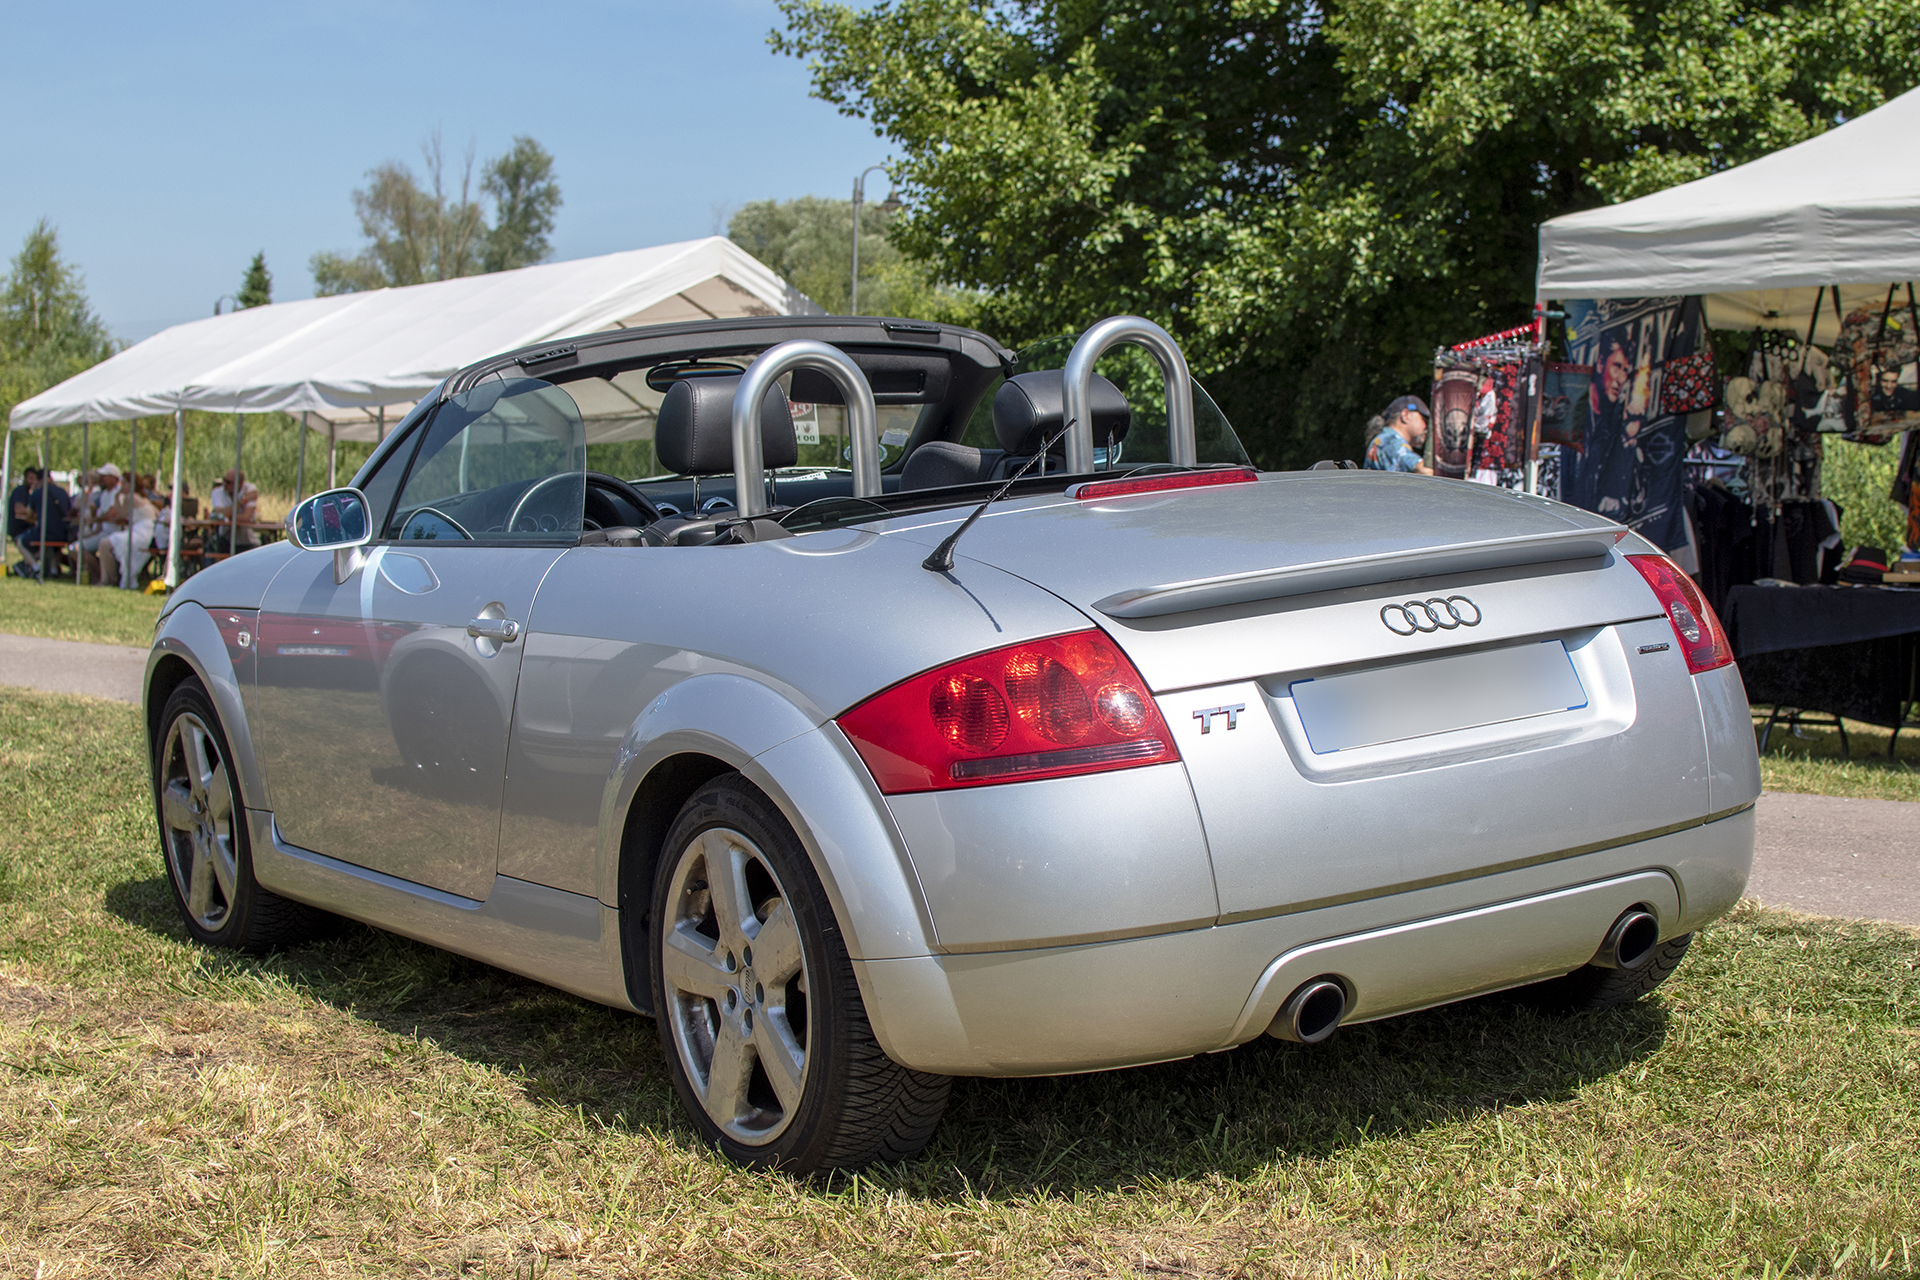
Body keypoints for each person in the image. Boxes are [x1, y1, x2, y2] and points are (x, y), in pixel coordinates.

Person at [99, 473, 159, 590]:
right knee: (109, 543)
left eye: (124, 483)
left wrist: (117, 497)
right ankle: (110, 578)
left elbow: (120, 514)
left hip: (140, 533)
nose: (122, 486)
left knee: (104, 544)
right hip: (149, 532)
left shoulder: (130, 497)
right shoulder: (143, 498)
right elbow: (157, 513)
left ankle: (108, 579)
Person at [12, 469, 72, 579]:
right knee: (55, 546)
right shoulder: (63, 492)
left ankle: (36, 568)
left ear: (39, 480)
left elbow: (30, 513)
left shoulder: (38, 493)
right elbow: (69, 511)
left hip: (44, 532)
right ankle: (53, 570)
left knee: (21, 542)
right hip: (63, 534)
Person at [75, 463, 123, 582]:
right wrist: (95, 530)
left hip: (114, 532)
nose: (101, 479)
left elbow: (111, 515)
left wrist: (95, 520)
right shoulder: (105, 494)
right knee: (75, 547)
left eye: (105, 476)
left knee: (77, 548)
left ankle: (104, 577)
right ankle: (98, 575)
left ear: (114, 478)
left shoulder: (118, 494)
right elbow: (102, 517)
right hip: (104, 532)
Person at [1363, 395, 1434, 474]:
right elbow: (1425, 471)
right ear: (1405, 416)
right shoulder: (1389, 441)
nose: (1427, 427)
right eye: (1424, 420)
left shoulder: (1384, 440)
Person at [206, 468, 260, 556]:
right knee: (212, 550)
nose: (224, 484)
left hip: (247, 540)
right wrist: (242, 501)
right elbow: (219, 514)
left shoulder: (250, 489)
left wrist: (226, 515)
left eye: (228, 482)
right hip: (225, 538)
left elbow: (246, 517)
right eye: (224, 480)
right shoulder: (217, 492)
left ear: (240, 484)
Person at [7, 466, 40, 541]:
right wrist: (33, 515)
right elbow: (19, 510)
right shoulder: (20, 491)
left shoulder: (29, 493)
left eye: (35, 479)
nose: (33, 481)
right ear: (25, 478)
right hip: (19, 529)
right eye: (30, 478)